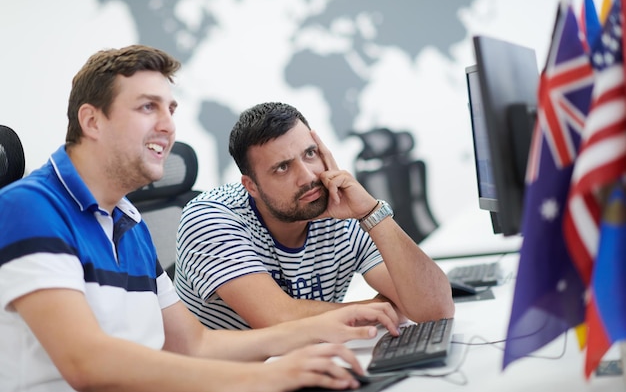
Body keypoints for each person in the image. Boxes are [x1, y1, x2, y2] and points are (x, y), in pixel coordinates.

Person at [0, 45, 402, 392]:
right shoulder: (29, 207)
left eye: (170, 109)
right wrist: (265, 378)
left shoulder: (126, 220)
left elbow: (193, 344)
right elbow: (86, 362)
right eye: (147, 107)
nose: (168, 126)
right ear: (92, 121)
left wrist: (326, 325)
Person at [175, 101, 455, 330]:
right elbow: (277, 318)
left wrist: (371, 213)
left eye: (310, 154)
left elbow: (435, 308)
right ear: (251, 186)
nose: (308, 177)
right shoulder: (211, 217)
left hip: (307, 363)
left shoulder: (340, 209)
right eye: (283, 168)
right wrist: (375, 308)